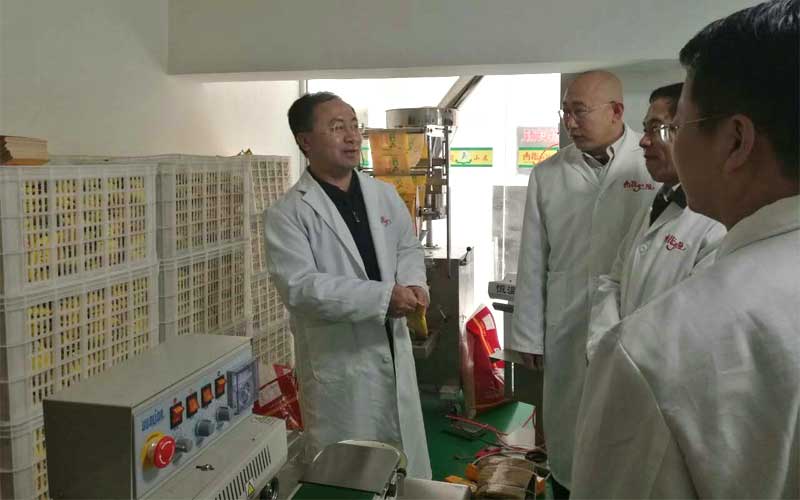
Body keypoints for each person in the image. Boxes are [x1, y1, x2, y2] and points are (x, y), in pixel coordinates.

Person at [571, 0, 799, 497]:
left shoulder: (659, 350)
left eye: (679, 126)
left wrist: (617, 349)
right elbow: (615, 275)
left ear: (735, 141)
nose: (653, 141)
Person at [264, 92, 432, 478]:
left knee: (404, 473)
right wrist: (382, 298)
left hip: (392, 348)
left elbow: (407, 247)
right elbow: (301, 288)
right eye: (337, 127)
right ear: (305, 141)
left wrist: (414, 284)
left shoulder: (382, 195)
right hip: (340, 366)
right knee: (351, 476)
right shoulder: (288, 214)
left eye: (354, 125)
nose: (352, 136)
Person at [509, 70, 656, 497]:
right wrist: (528, 333)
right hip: (567, 321)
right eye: (565, 112)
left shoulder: (650, 166)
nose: (569, 123)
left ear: (616, 111)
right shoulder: (548, 174)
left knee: (625, 429)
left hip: (630, 320)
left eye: (579, 111)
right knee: (569, 428)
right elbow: (533, 258)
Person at [585, 83, 726, 362]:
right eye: (645, 129)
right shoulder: (653, 207)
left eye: (656, 129)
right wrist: (603, 347)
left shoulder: (718, 223)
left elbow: (691, 321)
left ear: (695, 135)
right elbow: (613, 282)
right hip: (618, 365)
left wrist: (623, 359)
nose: (643, 141)